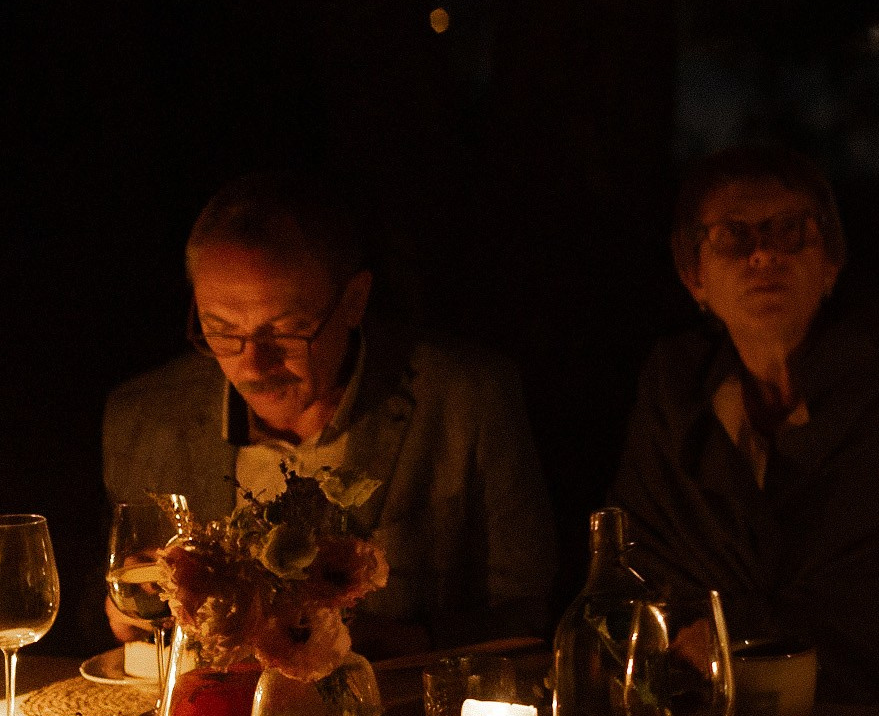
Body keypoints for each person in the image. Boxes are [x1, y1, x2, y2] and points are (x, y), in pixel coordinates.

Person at [610, 145, 879, 706]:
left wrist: (733, 633)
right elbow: (641, 571)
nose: (764, 254)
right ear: (694, 276)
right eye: (734, 236)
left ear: (831, 262)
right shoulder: (676, 400)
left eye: (791, 230)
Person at [103, 173, 555, 658]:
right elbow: (116, 618)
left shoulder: (466, 400)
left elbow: (532, 615)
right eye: (221, 330)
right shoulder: (146, 419)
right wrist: (131, 609)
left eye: (289, 331)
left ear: (354, 301)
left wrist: (405, 643)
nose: (253, 365)